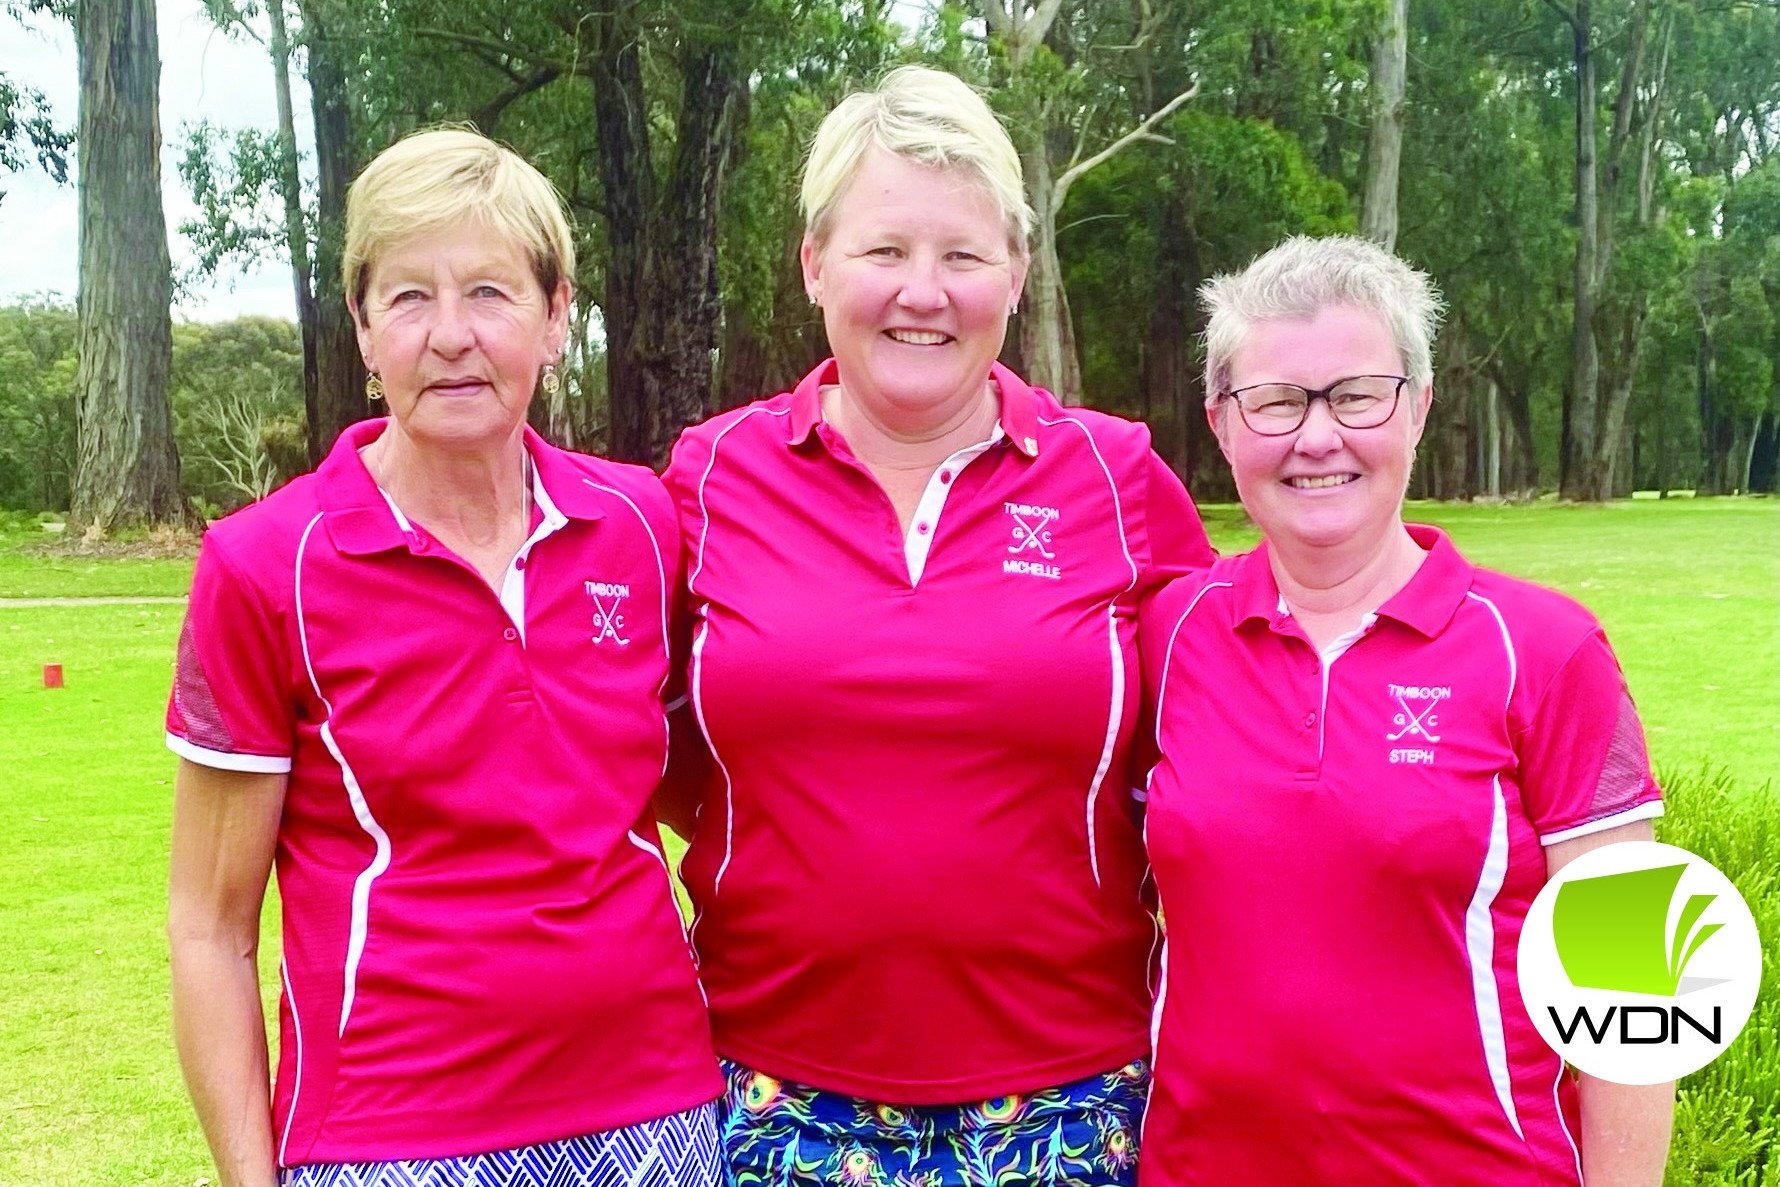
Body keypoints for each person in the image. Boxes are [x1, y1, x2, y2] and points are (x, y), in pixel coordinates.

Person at [657, 66, 1215, 1186]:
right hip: (768, 1087)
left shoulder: (1113, 476)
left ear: (1013, 271)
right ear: (815, 264)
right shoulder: (709, 476)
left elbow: (1211, 747)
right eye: (882, 251)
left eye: (962, 255)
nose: (924, 291)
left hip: (1071, 1092)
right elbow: (640, 737)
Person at [164, 128, 723, 1187]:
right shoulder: (262, 565)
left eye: (491, 293)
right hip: (394, 1136)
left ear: (557, 318)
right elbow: (208, 926)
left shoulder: (641, 524)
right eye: (410, 296)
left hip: (663, 1111)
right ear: (364, 330)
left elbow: (712, 788)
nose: (451, 336)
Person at [1138, 234, 1673, 1186]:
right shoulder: (1172, 633)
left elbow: (1630, 989)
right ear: (1222, 423)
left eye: (1356, 395)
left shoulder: (1549, 650)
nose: (1316, 436)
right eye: (1274, 400)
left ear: (1419, 406)